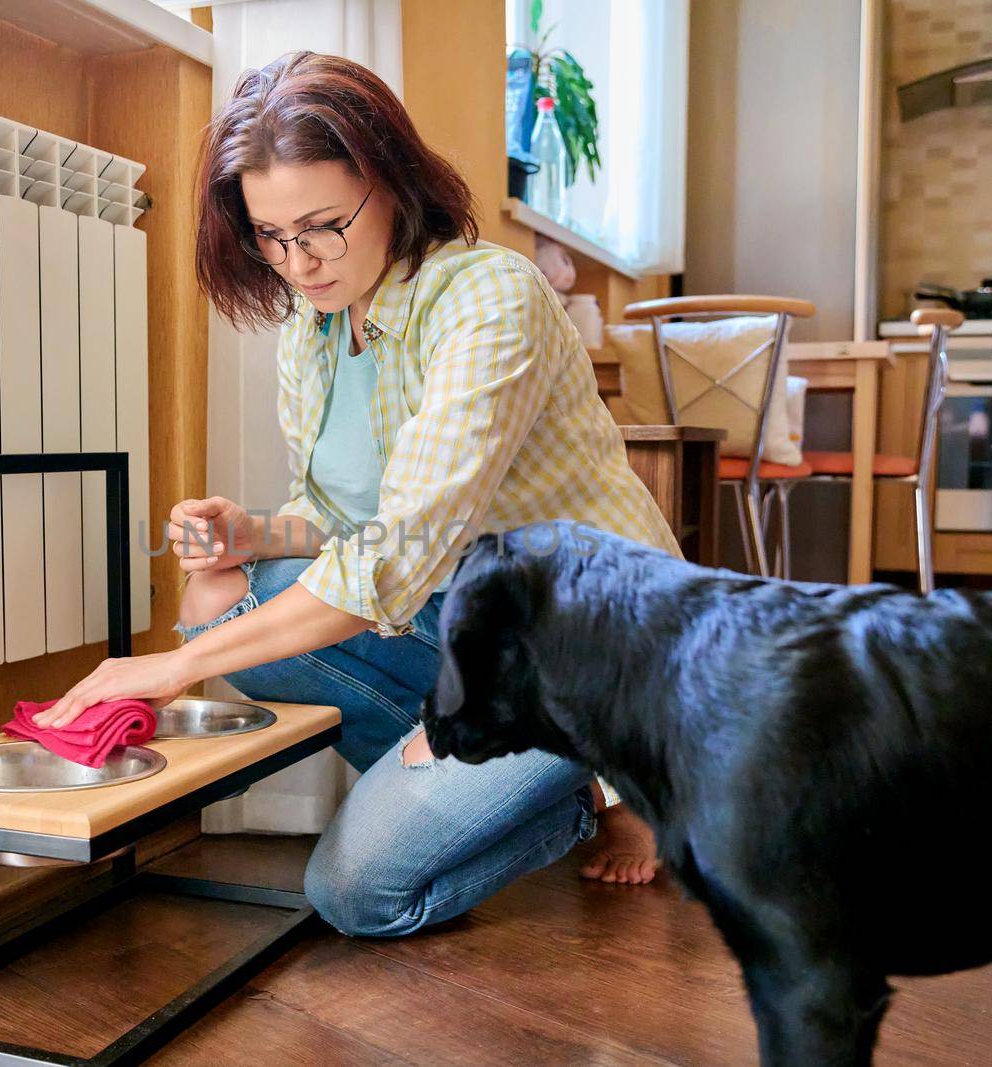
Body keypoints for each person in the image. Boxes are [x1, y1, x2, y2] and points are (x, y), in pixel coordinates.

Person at [35, 50, 682, 936]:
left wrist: (169, 667)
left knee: (357, 892)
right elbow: (343, 522)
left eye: (322, 226)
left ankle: (600, 774)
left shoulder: (489, 299)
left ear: (390, 180)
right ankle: (480, 776)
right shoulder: (315, 327)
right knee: (222, 599)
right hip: (462, 621)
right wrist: (253, 533)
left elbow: (393, 553)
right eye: (271, 235)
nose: (298, 262)